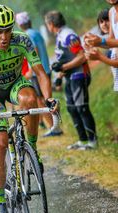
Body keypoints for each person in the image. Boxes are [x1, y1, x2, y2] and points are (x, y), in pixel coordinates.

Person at [0, 4, 57, 212]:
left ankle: (32, 148)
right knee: (0, 143)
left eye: (8, 30)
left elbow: (40, 73)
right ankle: (1, 201)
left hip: (14, 85)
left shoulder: (23, 40)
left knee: (29, 99)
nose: (4, 37)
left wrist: (48, 99)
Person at [45, 10, 98, 150]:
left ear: (51, 24)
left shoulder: (68, 35)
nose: (47, 27)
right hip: (70, 77)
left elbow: (82, 56)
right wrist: (59, 76)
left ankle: (92, 142)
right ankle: (82, 140)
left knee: (82, 108)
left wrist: (63, 66)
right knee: (72, 109)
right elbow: (67, 57)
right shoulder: (61, 35)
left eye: (47, 24)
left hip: (79, 75)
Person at [16, 11, 63, 137]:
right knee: (45, 99)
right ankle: (54, 126)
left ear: (19, 24)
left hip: (38, 72)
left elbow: (34, 51)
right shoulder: (36, 32)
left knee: (41, 101)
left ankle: (53, 127)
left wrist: (31, 71)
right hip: (45, 69)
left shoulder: (28, 35)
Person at [84, 1, 118, 92]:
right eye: (101, 22)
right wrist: (95, 42)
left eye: (107, 20)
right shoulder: (112, 12)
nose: (104, 24)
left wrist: (100, 56)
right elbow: (112, 42)